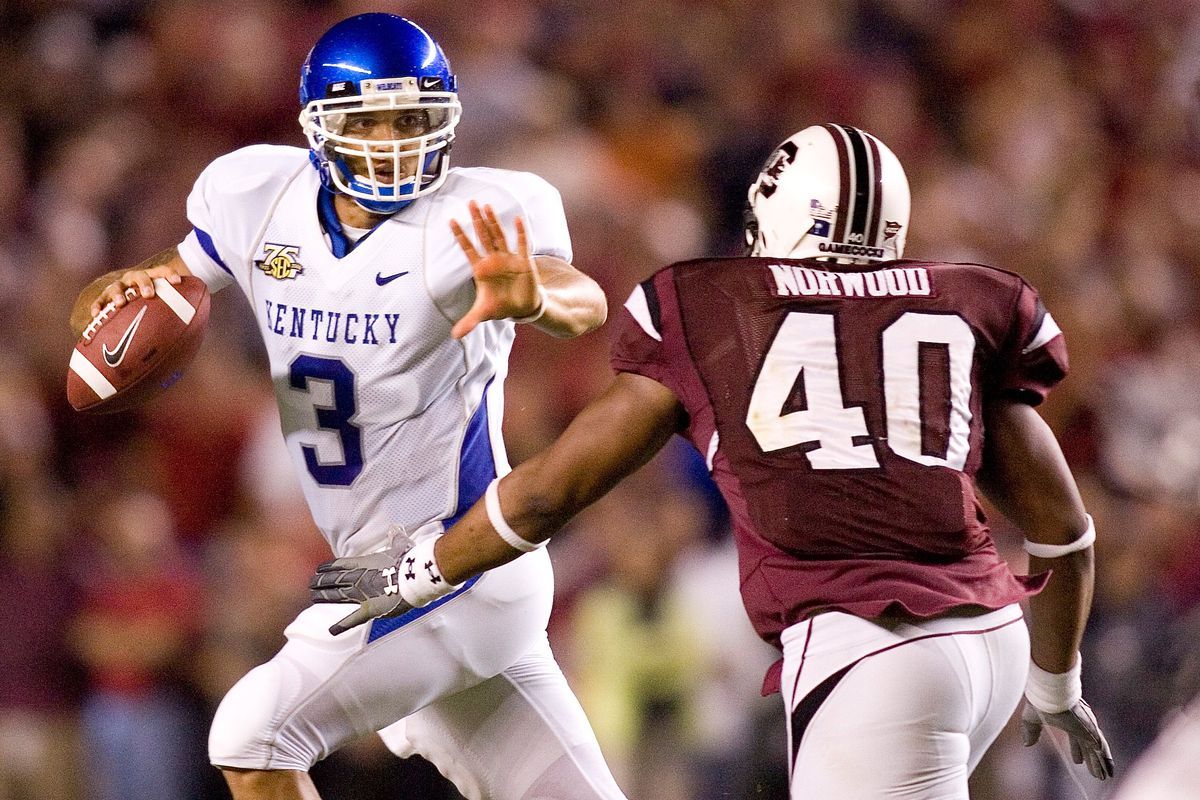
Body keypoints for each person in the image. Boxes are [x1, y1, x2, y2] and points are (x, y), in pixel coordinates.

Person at [313, 123, 1116, 798]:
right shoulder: (964, 306)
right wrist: (1055, 681)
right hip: (994, 641)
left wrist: (418, 570)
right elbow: (1064, 533)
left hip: (877, 645)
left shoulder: (713, 309)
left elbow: (546, 495)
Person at [70, 13, 628, 800]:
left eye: (412, 120)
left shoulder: (471, 217)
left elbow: (586, 303)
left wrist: (535, 292)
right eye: (367, 119)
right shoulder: (257, 195)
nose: (392, 140)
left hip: (460, 559)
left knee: (250, 731)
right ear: (318, 126)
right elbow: (170, 280)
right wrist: (111, 294)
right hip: (361, 569)